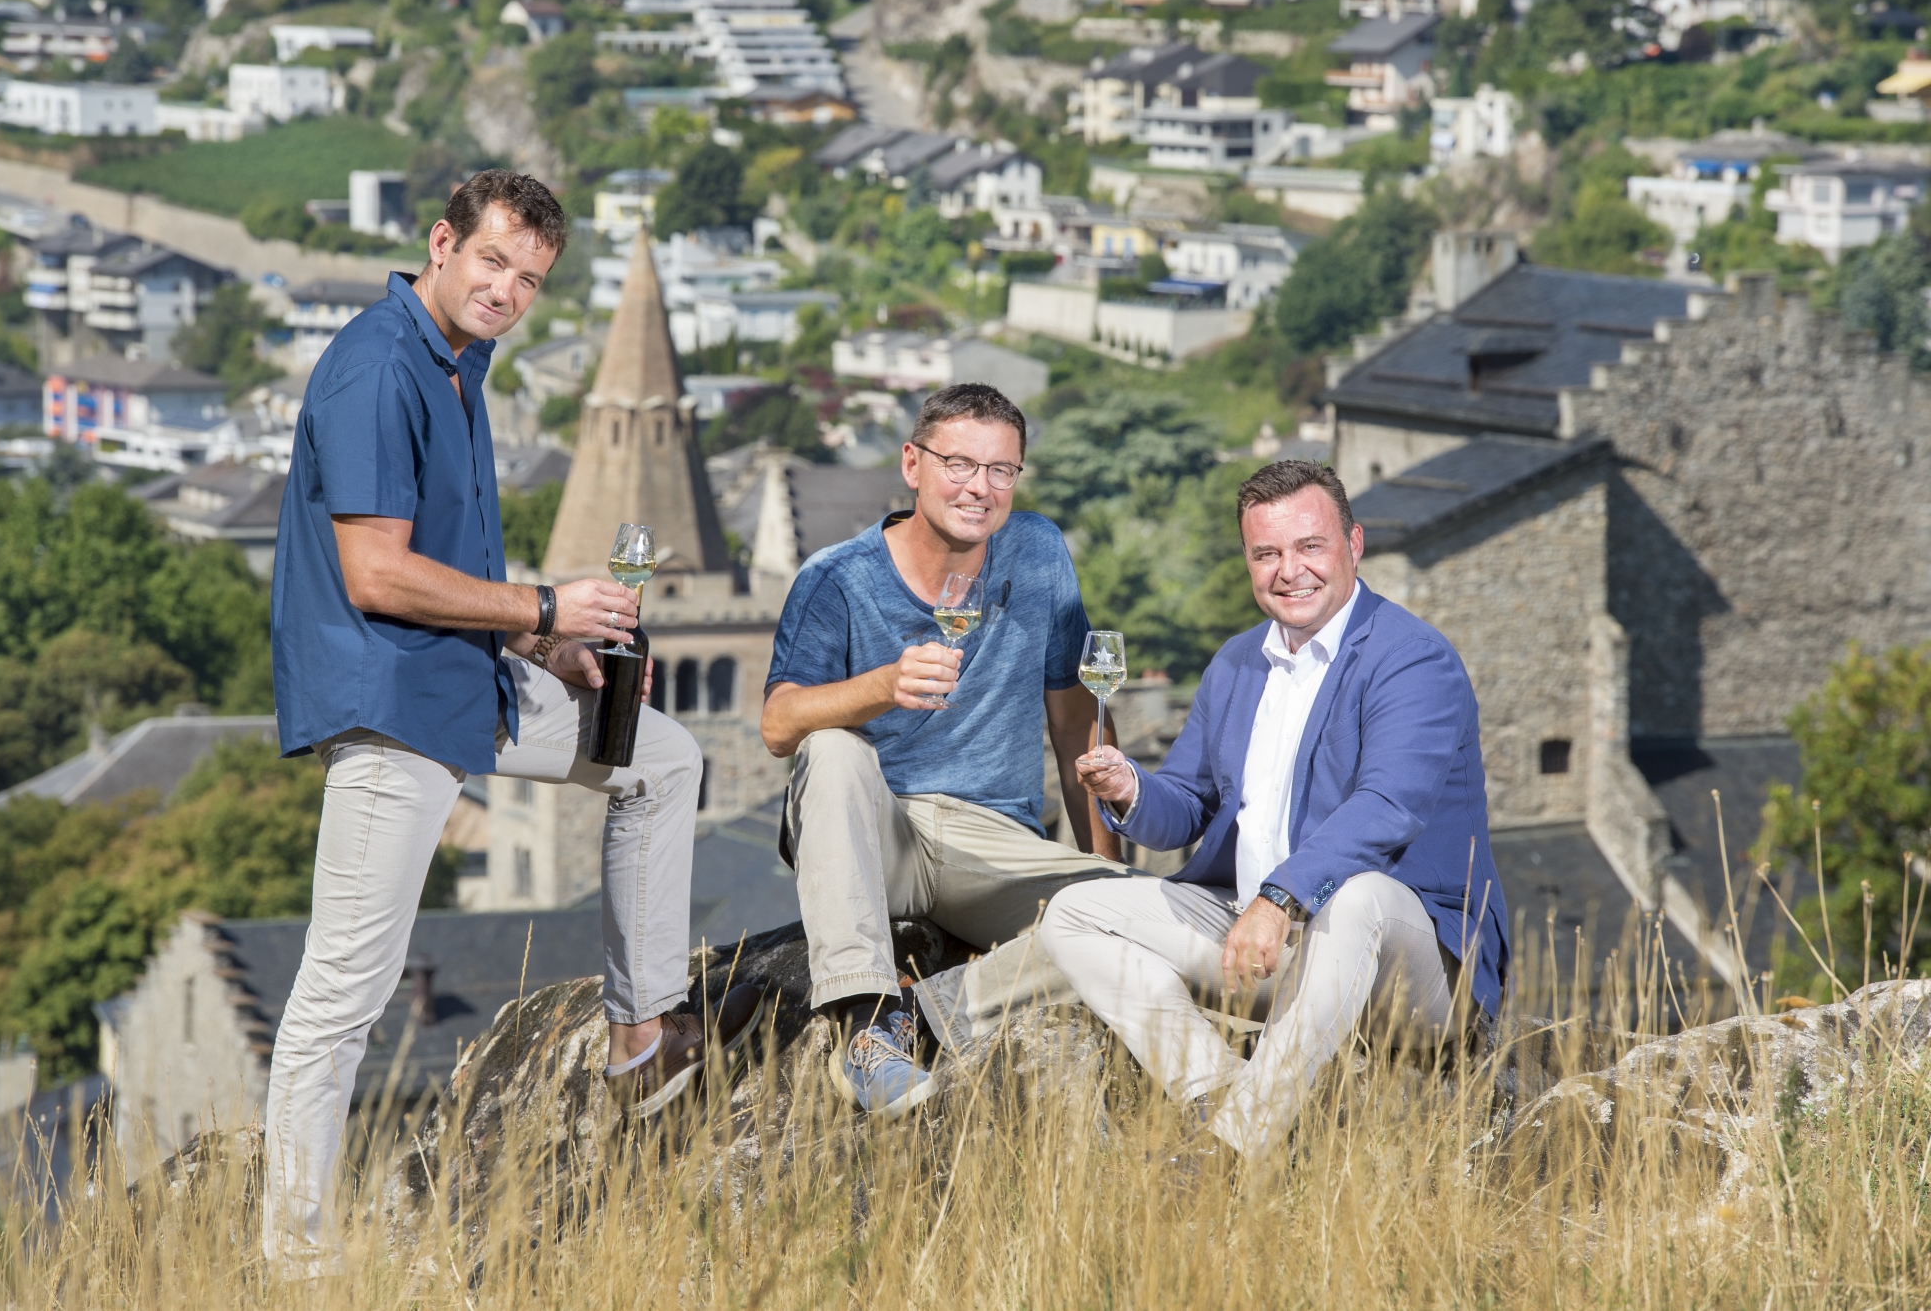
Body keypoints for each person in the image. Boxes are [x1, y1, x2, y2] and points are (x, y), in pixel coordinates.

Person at [265, 170, 760, 1273]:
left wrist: (537, 646)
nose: (505, 289)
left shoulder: (454, 365)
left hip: (466, 681)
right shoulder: (378, 367)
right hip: (395, 704)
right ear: (441, 244)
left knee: (656, 753)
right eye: (490, 262)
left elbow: (439, 569)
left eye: (528, 278)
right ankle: (291, 1260)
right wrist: (543, 604)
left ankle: (640, 1028)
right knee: (344, 986)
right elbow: (377, 574)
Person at [1039, 459, 1508, 1157]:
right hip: (1267, 947)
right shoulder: (1236, 664)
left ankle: (1233, 1150)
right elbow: (1190, 803)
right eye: (1267, 553)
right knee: (1075, 912)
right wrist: (1131, 788)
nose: (1290, 570)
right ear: (1249, 560)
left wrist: (1277, 898)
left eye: (1309, 546)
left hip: (1413, 969)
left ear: (1353, 544)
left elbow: (1387, 808)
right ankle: (1219, 1091)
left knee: (1360, 898)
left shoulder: (1413, 660)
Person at [761, 383, 1133, 1117]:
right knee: (830, 748)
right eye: (959, 463)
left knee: (1141, 919)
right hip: (879, 833)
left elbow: (1074, 721)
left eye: (1002, 470)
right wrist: (883, 684)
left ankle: (930, 1007)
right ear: (912, 463)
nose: (980, 488)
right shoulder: (835, 578)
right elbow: (778, 725)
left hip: (992, 839)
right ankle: (865, 1029)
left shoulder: (1038, 551)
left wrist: (1104, 874)